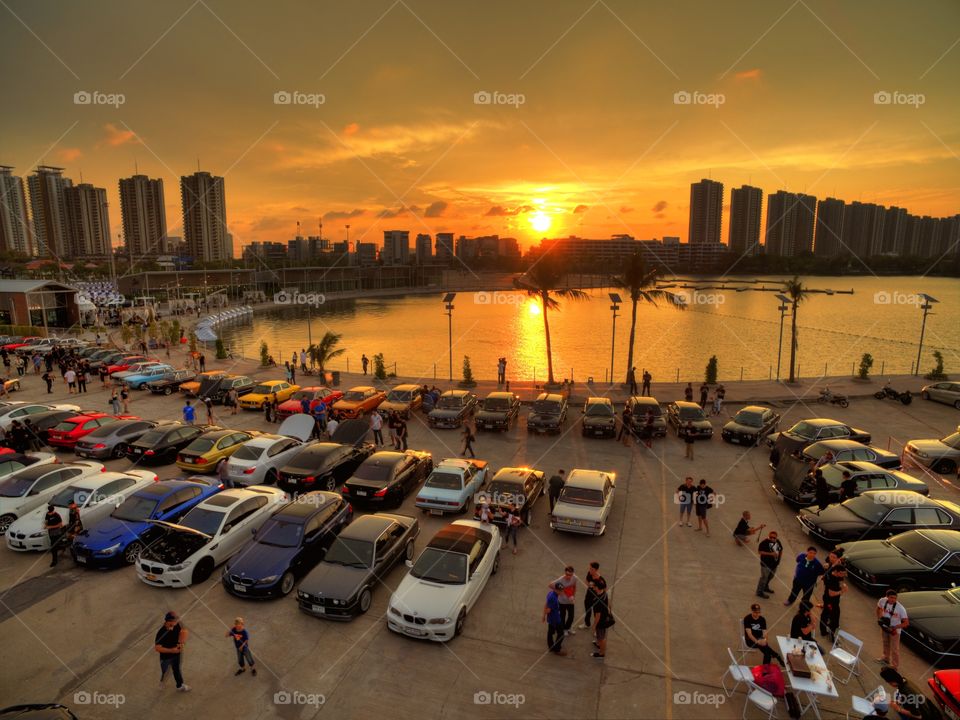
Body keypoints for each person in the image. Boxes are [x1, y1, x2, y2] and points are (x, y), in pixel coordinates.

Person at [155, 611, 190, 692]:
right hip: (165, 657)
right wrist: (171, 650)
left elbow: (184, 631)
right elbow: (157, 648)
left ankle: (179, 686)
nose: (177, 621)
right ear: (169, 621)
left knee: (177, 669)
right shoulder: (161, 633)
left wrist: (181, 643)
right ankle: (162, 681)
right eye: (175, 620)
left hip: (176, 654)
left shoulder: (177, 625)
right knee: (165, 671)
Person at [876, 589, 909, 670]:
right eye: (891, 597)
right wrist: (880, 619)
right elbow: (878, 609)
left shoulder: (900, 608)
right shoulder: (882, 600)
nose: (893, 600)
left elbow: (906, 623)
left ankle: (894, 666)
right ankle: (885, 658)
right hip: (885, 626)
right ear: (887, 597)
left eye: (895, 598)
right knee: (885, 643)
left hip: (895, 630)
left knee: (895, 649)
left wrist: (894, 627)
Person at [819, 563, 848, 641]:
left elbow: (841, 581)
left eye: (844, 573)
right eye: (841, 573)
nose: (843, 575)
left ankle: (828, 630)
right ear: (836, 572)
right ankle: (826, 631)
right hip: (830, 601)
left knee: (830, 615)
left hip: (833, 601)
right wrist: (842, 591)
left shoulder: (834, 573)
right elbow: (831, 594)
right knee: (828, 615)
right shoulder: (831, 580)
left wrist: (843, 585)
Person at [551, 566, 578, 635]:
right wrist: (559, 592)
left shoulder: (574, 578)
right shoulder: (561, 579)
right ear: (565, 573)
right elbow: (550, 585)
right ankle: (563, 629)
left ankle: (567, 628)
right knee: (562, 616)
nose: (569, 577)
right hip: (562, 602)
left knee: (571, 616)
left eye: (570, 575)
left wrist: (573, 596)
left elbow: (574, 587)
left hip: (570, 601)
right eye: (567, 575)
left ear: (573, 574)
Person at [591, 579, 614, 659]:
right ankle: (598, 644)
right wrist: (609, 612)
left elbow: (598, 615)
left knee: (602, 637)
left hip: (601, 621)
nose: (592, 586)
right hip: (604, 617)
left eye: (594, 585)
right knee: (600, 636)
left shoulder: (597, 601)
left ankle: (601, 653)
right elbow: (609, 604)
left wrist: (594, 625)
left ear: (597, 587)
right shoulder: (604, 593)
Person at [756, 530, 783, 598]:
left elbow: (781, 550)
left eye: (774, 537)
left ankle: (765, 587)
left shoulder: (778, 542)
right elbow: (760, 552)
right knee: (764, 578)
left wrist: (779, 559)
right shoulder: (764, 543)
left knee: (770, 577)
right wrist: (770, 554)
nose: (772, 539)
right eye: (771, 537)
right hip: (765, 564)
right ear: (769, 536)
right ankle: (759, 592)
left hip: (774, 565)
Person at [543, 582, 567, 656]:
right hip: (555, 619)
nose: (561, 592)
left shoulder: (551, 593)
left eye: (562, 590)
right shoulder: (553, 598)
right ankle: (557, 649)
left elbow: (546, 603)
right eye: (560, 590)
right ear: (556, 589)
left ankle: (551, 647)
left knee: (550, 632)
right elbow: (548, 609)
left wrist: (543, 616)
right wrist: (546, 613)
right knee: (561, 634)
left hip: (552, 618)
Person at [581, 561, 602, 630]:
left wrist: (595, 588)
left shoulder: (599, 579)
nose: (590, 570)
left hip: (596, 597)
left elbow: (603, 589)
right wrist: (589, 585)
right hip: (589, 595)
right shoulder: (589, 574)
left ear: (596, 570)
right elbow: (586, 581)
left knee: (596, 613)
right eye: (589, 568)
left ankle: (597, 628)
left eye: (591, 569)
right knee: (588, 610)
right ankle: (587, 624)